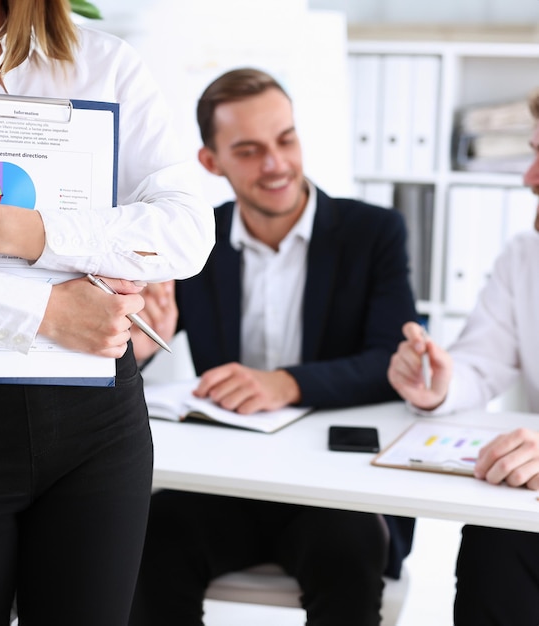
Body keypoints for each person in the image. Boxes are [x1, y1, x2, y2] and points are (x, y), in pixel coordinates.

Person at [0, 1, 215, 625]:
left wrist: (8, 227)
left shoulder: (102, 64)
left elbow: (187, 231)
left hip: (95, 427)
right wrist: (44, 310)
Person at [129, 67, 418, 626]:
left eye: (285, 140)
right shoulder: (195, 241)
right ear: (211, 163)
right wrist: (139, 347)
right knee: (146, 538)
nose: (276, 164)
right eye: (249, 150)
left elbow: (390, 361)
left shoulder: (374, 233)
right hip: (231, 480)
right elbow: (151, 329)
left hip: (333, 489)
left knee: (350, 548)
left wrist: (284, 383)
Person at [387, 89, 539, 626]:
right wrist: (443, 383)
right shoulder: (526, 256)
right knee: (493, 541)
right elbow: (483, 362)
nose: (527, 178)